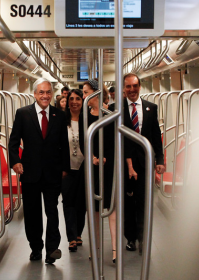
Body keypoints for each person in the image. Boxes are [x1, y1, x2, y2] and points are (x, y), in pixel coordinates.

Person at [9, 78, 70, 264]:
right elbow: (13, 142)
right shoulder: (22, 114)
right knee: (33, 213)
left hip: (53, 172)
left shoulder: (58, 116)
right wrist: (15, 162)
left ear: (52, 94)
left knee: (52, 211)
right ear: (35, 94)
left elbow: (63, 144)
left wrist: (65, 168)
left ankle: (52, 249)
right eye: (41, 92)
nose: (45, 96)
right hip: (30, 172)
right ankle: (36, 247)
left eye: (48, 92)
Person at [122, 73, 165, 254]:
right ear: (124, 89)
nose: (132, 90)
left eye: (135, 86)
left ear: (140, 87)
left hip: (144, 162)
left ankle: (142, 237)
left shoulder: (151, 108)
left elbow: (155, 135)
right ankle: (130, 237)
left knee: (143, 201)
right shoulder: (116, 109)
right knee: (127, 202)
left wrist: (160, 160)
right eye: (128, 87)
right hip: (124, 163)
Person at [82, 79, 116, 262]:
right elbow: (83, 141)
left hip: (109, 165)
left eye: (86, 92)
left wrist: (105, 158)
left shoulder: (111, 114)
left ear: (96, 93)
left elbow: (115, 140)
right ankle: (94, 248)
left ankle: (115, 250)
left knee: (112, 208)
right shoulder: (84, 115)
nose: (84, 96)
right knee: (94, 210)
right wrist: (93, 157)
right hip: (92, 166)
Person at [61, 89, 86, 252]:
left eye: (78, 98)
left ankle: (79, 233)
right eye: (71, 99)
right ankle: (71, 237)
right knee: (68, 202)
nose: (74, 101)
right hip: (66, 169)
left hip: (84, 168)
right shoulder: (62, 121)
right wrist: (61, 168)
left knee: (81, 203)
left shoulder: (87, 121)